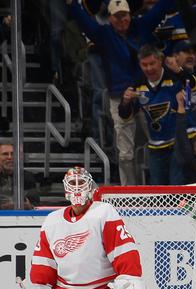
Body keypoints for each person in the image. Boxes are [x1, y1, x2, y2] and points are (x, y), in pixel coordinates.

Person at [25, 167, 146, 289]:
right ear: (65, 189)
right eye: (72, 183)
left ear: (91, 187)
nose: (77, 188)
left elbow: (123, 250)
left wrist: (130, 285)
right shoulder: (52, 221)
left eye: (81, 183)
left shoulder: (103, 212)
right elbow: (44, 262)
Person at [67, 0, 176, 185]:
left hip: (148, 94)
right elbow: (84, 21)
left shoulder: (141, 26)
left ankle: (164, 187)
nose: (122, 19)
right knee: (125, 151)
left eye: (124, 15)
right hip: (119, 98)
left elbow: (160, 9)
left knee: (160, 142)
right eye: (117, 16)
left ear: (130, 15)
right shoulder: (103, 34)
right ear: (110, 18)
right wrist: (72, 4)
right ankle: (130, 192)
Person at [119, 45, 191, 185]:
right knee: (158, 194)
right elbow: (126, 116)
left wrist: (179, 71)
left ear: (161, 61)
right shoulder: (138, 85)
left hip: (178, 144)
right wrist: (125, 102)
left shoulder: (175, 78)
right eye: (144, 65)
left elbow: (193, 94)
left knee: (178, 189)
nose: (149, 68)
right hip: (155, 149)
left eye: (152, 63)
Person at [0, 142, 39, 209]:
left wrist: (29, 206)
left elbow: (35, 204)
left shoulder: (27, 177)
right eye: (5, 154)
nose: (10, 157)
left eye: (12, 154)